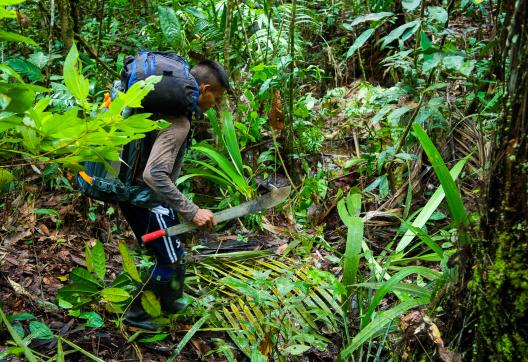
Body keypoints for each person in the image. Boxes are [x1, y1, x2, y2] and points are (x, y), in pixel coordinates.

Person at [120, 59, 230, 329]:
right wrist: (192, 211)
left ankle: (171, 301)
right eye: (216, 98)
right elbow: (154, 174)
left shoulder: (163, 111)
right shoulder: (178, 122)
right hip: (144, 200)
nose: (215, 105)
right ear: (203, 89)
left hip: (147, 197)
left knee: (176, 250)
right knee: (169, 259)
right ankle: (137, 316)